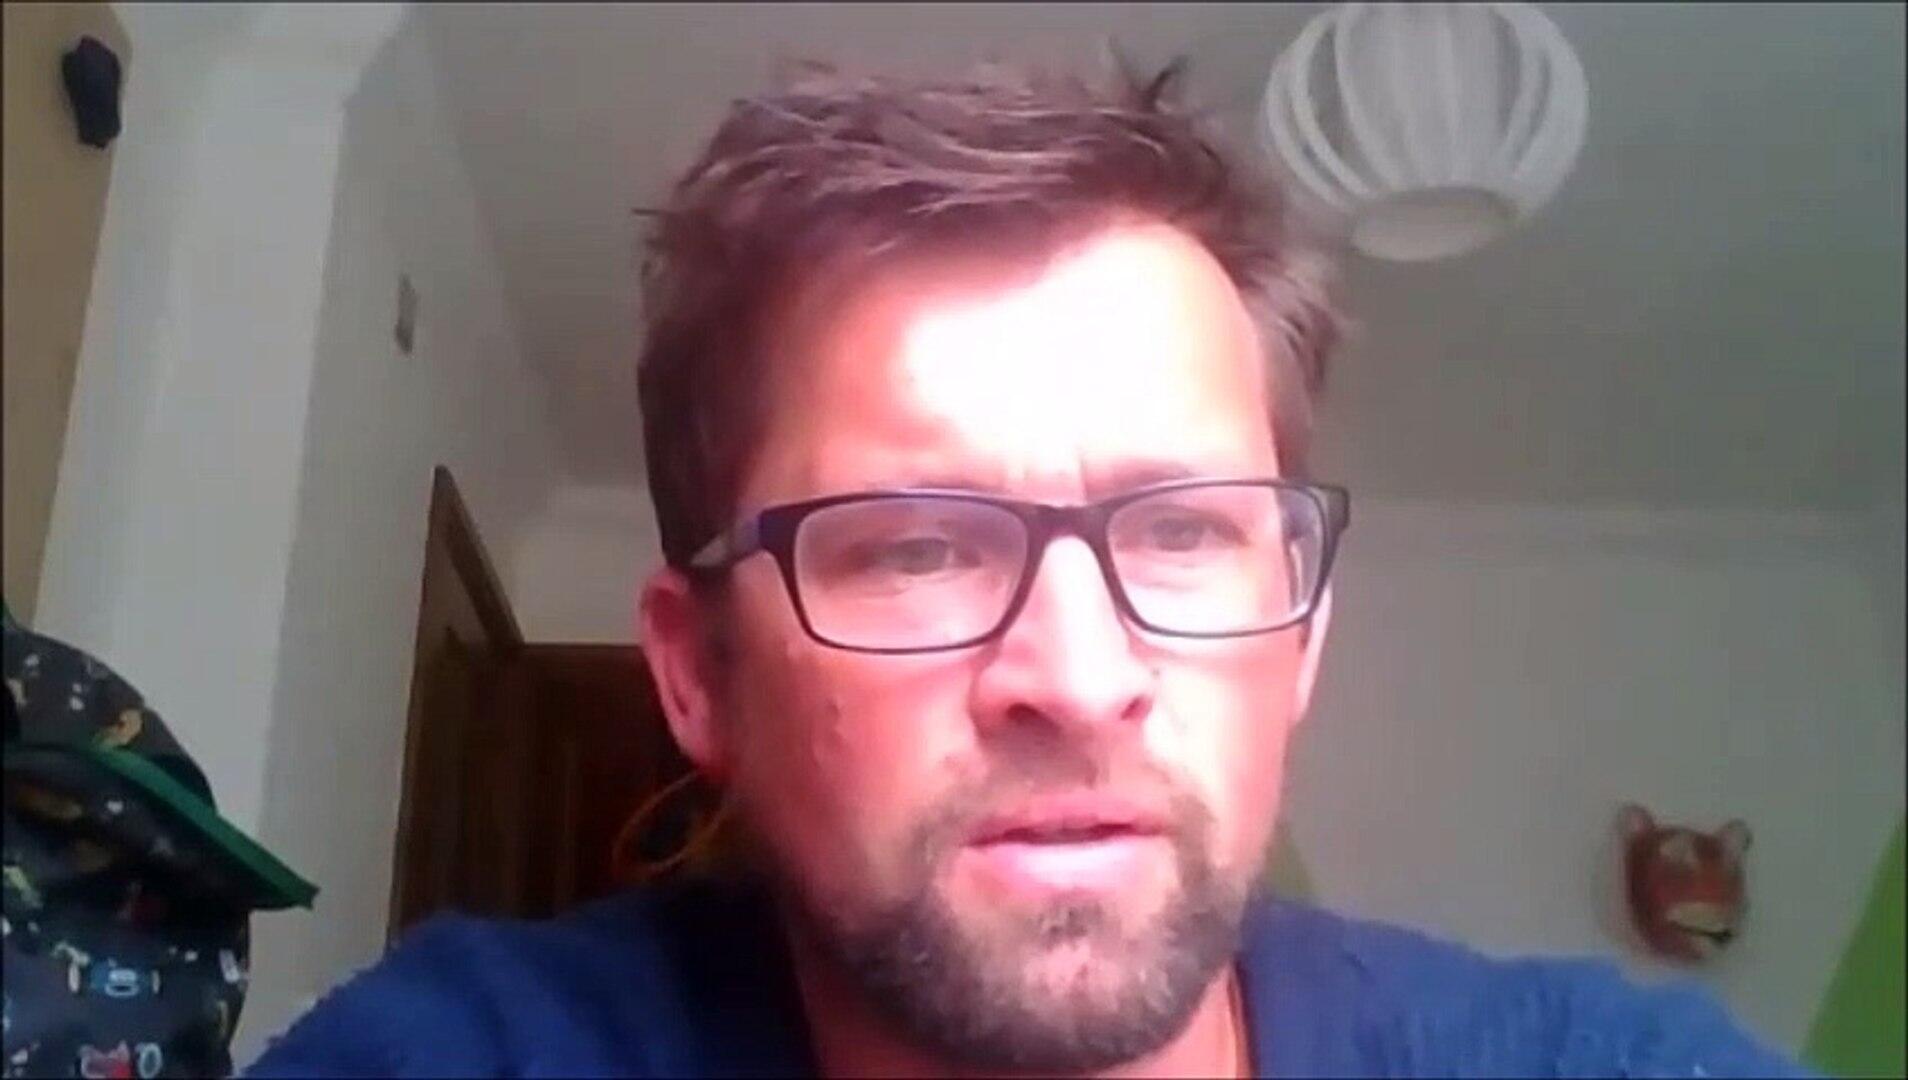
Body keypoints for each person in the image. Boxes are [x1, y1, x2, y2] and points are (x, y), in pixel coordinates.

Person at [246, 59, 1808, 1078]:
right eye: (916, 546)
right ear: (700, 674)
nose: (1078, 678)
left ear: (1306, 635)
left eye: (1183, 532)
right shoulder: (460, 1052)